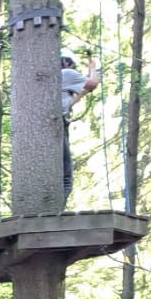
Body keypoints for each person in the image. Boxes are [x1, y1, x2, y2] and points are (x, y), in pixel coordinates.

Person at [60, 54, 99, 196]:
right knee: (66, 179)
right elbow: (92, 84)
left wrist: (84, 90)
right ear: (66, 64)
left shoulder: (55, 82)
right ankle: (57, 208)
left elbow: (76, 97)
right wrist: (93, 68)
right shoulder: (66, 73)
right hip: (57, 125)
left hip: (58, 124)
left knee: (62, 174)